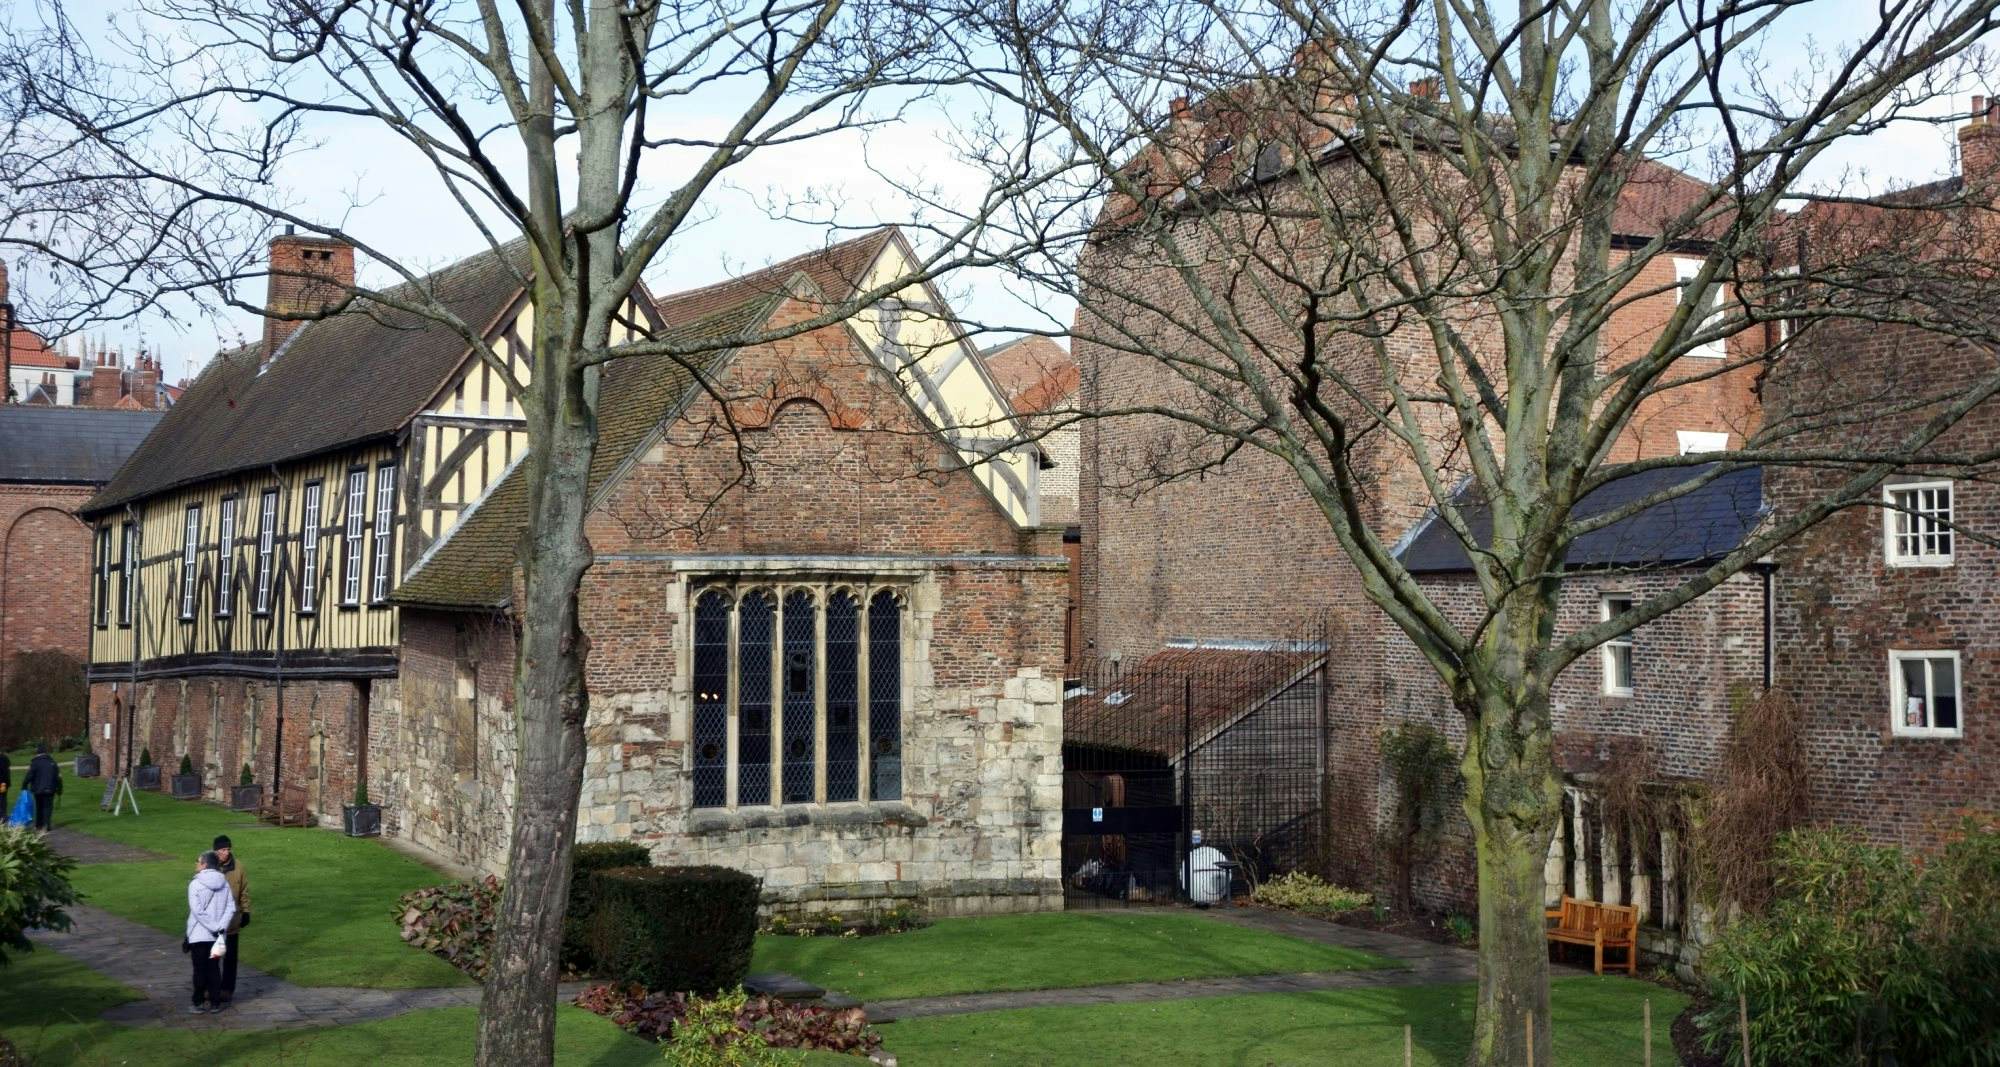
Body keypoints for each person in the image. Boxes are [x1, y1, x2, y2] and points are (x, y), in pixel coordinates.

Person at [184, 850, 236, 1015]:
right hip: (218, 936)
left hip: (199, 935)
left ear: (205, 864)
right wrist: (221, 926)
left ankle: (198, 1002)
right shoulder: (224, 883)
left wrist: (213, 926)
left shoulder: (195, 884)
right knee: (214, 968)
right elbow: (231, 907)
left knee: (199, 970)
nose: (196, 864)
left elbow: (197, 911)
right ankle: (215, 1003)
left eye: (198, 861)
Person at [211, 834, 250, 1005]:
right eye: (222, 850)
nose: (226, 853)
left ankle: (227, 989)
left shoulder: (238, 867)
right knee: (212, 957)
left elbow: (244, 891)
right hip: (212, 922)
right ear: (215, 851)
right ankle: (211, 988)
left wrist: (246, 911)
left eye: (227, 849)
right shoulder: (208, 865)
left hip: (232, 921)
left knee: (231, 958)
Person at [24, 744, 61, 831]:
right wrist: (59, 788)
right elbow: (57, 777)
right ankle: (46, 825)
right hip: (50, 788)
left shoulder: (35, 763)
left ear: (37, 753)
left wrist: (24, 785)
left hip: (38, 788)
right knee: (48, 807)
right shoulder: (52, 762)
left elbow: (30, 775)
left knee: (39, 806)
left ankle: (39, 825)